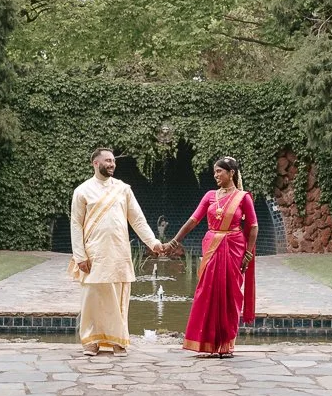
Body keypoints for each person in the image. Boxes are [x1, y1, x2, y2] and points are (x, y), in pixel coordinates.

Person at [69, 147, 164, 356]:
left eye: (113, 161)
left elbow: (137, 219)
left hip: (119, 252)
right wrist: (80, 256)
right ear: (95, 163)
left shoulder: (123, 189)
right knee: (92, 298)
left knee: (119, 296)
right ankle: (91, 341)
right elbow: (75, 224)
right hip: (93, 254)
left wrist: (153, 243)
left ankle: (117, 341)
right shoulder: (82, 191)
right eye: (107, 161)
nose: (112, 164)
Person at [166, 156, 257, 357]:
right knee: (206, 292)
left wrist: (248, 253)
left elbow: (253, 226)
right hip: (211, 246)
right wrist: (174, 241)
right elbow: (193, 220)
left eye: (219, 172)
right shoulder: (209, 196)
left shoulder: (243, 198)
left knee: (230, 294)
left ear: (231, 173)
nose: (215, 175)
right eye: (215, 172)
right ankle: (206, 343)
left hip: (234, 248)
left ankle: (226, 344)